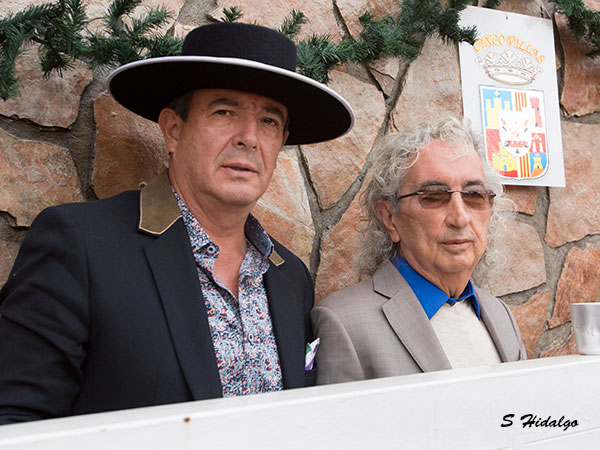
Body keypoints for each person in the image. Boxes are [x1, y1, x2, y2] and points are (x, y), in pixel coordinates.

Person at [0, 22, 354, 424]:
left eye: (269, 121)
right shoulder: (79, 246)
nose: (249, 137)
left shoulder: (291, 277)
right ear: (172, 129)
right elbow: (14, 421)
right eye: (225, 112)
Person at [312, 117, 526, 385]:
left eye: (474, 196)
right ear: (390, 218)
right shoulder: (343, 322)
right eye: (434, 197)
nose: (460, 218)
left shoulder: (501, 315)